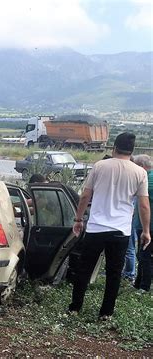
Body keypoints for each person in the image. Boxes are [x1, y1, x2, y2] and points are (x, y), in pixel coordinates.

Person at [69, 132, 151, 320]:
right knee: (114, 273)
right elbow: (144, 205)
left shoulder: (99, 166)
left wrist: (78, 219)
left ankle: (75, 307)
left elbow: (85, 196)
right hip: (121, 230)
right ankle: (106, 312)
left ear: (113, 148)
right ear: (132, 151)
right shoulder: (140, 172)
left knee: (84, 269)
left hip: (96, 228)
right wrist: (146, 231)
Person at [132, 154, 153, 292]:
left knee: (145, 255)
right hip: (145, 224)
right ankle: (138, 283)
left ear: (141, 167)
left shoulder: (148, 179)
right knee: (142, 253)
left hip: (148, 225)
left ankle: (144, 286)